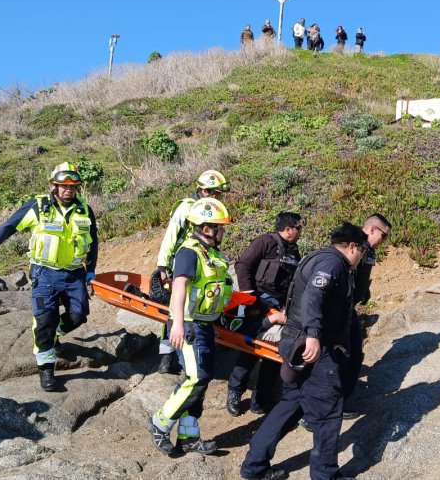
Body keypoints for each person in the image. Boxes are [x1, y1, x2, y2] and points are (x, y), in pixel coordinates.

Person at [240, 223, 368, 480]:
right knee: (329, 408)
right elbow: (313, 296)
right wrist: (313, 336)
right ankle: (325, 475)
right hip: (309, 346)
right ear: (353, 246)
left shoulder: (318, 257)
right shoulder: (332, 264)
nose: (362, 256)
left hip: (297, 341)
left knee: (292, 403)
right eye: (362, 251)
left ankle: (254, 466)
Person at [0, 162, 98, 392]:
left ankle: (57, 333)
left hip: (74, 274)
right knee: (44, 321)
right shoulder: (38, 207)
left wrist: (91, 269)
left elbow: (94, 241)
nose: (69, 190)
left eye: (73, 186)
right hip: (45, 274)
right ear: (54, 186)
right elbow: (8, 227)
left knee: (79, 315)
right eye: (63, 186)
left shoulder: (84, 210)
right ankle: (46, 367)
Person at [145, 198, 234, 456]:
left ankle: (189, 436)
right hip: (188, 326)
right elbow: (179, 287)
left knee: (198, 381)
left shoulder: (213, 254)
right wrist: (177, 324)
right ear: (207, 228)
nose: (223, 231)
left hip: (204, 325)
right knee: (197, 378)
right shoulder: (189, 252)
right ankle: (160, 424)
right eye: (220, 227)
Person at [149, 170, 230, 375]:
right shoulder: (187, 207)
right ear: (201, 189)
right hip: (183, 260)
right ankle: (167, 356)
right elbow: (171, 234)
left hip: (201, 260)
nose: (214, 196)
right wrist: (162, 266)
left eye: (217, 193)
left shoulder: (213, 212)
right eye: (210, 192)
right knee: (175, 305)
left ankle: (191, 350)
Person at [226, 212, 304, 417]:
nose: (300, 231)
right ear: (288, 229)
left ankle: (260, 399)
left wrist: (287, 308)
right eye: (299, 227)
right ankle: (235, 391)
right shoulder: (265, 242)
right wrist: (249, 296)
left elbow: (293, 284)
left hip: (279, 306)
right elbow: (243, 265)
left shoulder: (294, 252)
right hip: (257, 301)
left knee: (274, 350)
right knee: (250, 347)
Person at [342, 213, 392, 418]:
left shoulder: (369, 251)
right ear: (372, 229)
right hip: (339, 310)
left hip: (350, 308)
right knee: (341, 358)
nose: (384, 241)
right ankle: (321, 410)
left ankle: (342, 399)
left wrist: (365, 292)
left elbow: (363, 275)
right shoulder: (352, 244)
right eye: (384, 235)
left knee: (354, 355)